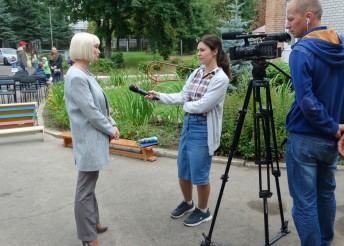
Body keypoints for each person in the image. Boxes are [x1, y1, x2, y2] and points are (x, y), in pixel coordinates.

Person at [146, 34, 231, 227]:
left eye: (202, 50)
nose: (199, 54)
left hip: (203, 129)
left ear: (215, 51)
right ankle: (187, 202)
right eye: (198, 50)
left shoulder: (220, 78)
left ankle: (203, 211)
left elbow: (204, 105)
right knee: (183, 169)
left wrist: (186, 106)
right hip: (188, 126)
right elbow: (183, 95)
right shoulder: (197, 72)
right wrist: (159, 96)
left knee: (199, 174)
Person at [285, 0, 344, 245]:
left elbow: (307, 103)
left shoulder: (301, 51)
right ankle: (326, 241)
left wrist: (333, 128)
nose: (287, 26)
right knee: (325, 194)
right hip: (332, 138)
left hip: (306, 138)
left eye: (291, 19)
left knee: (305, 203)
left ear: (308, 17)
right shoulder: (340, 44)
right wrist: (339, 129)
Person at [64, 32, 120, 246]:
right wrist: (110, 129)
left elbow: (101, 106)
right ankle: (88, 237)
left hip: (93, 138)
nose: (98, 51)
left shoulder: (84, 73)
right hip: (88, 139)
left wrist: (112, 123)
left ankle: (94, 222)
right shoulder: (77, 76)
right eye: (95, 47)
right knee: (85, 191)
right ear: (84, 48)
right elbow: (91, 112)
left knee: (89, 186)